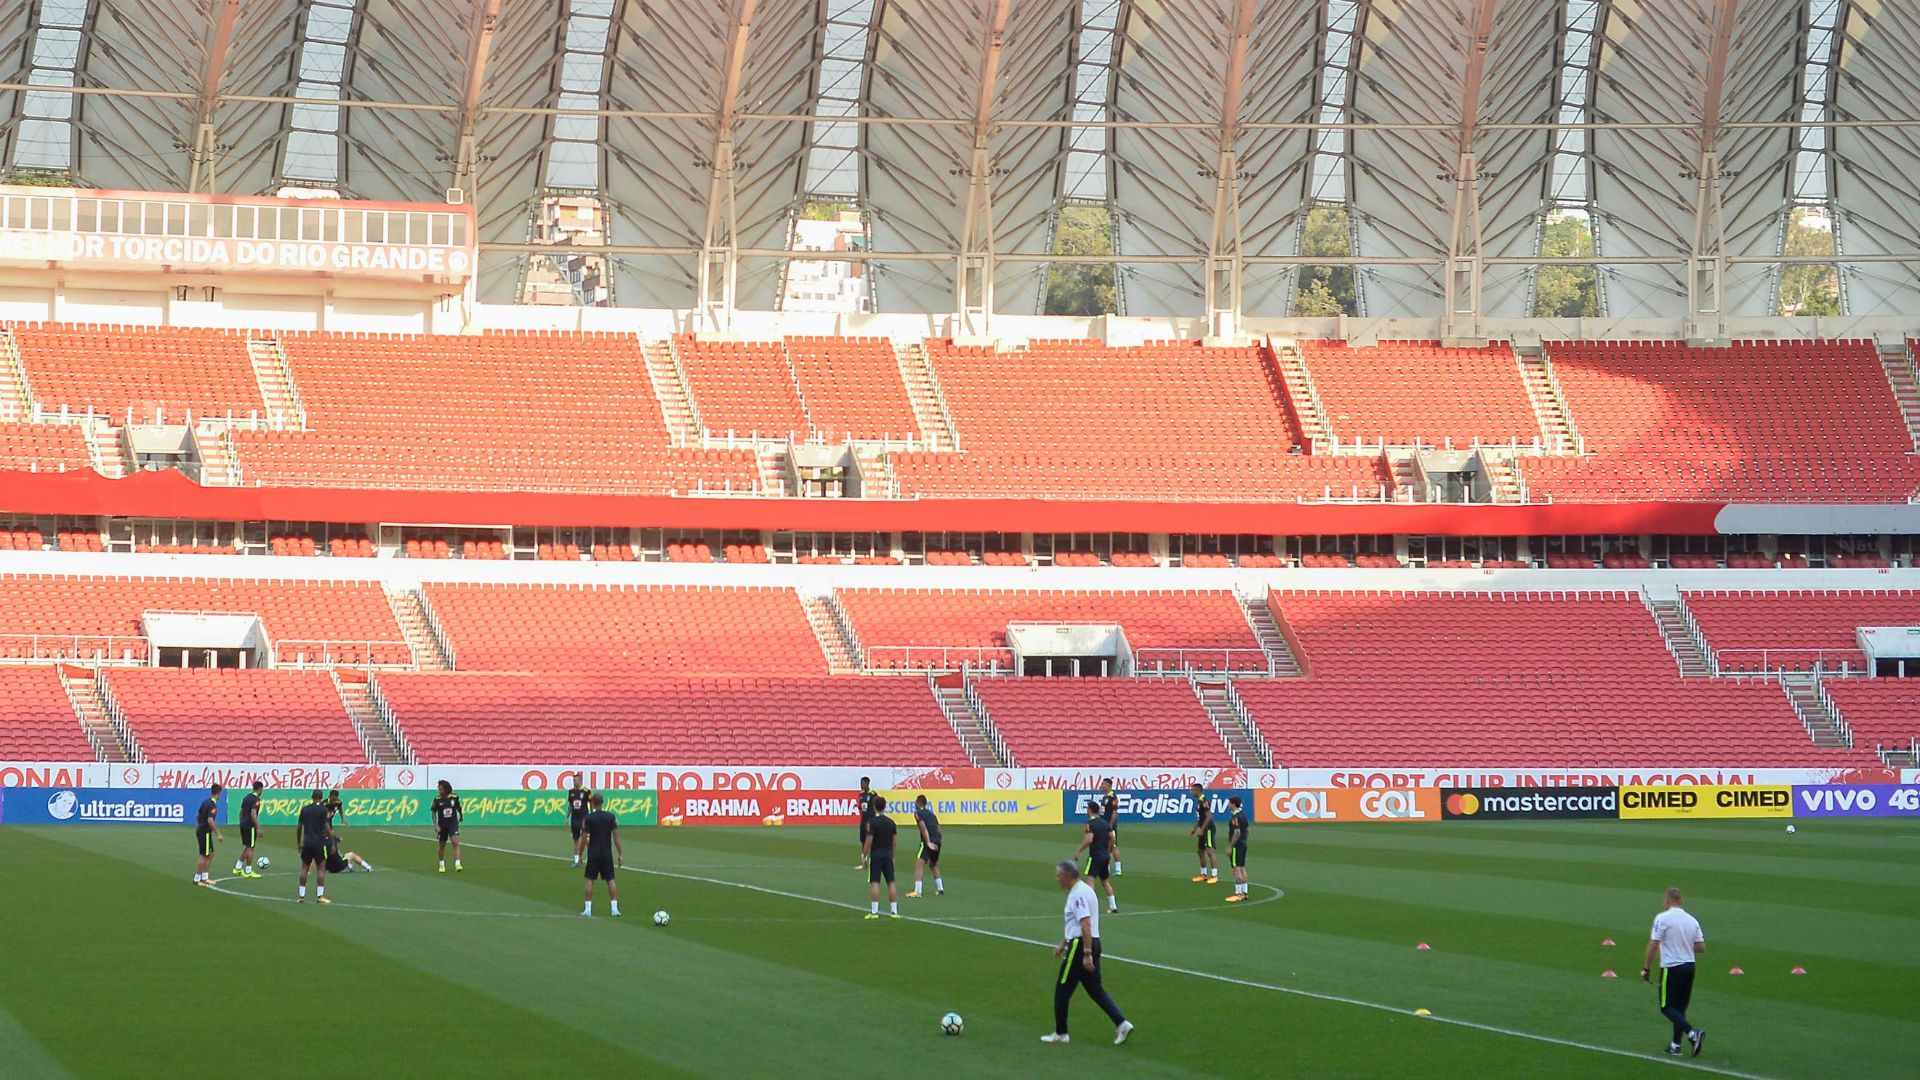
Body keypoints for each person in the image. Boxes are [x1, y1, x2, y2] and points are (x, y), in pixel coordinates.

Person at [1042, 860, 1132, 1046]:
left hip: (1082, 945)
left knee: (1062, 989)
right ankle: (1121, 1023)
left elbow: (1085, 924)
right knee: (1095, 989)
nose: (1057, 879)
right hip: (1091, 942)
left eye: (1059, 875)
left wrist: (1087, 953)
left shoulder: (1078, 895)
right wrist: (1063, 944)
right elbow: (1076, 924)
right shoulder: (1084, 890)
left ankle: (1061, 1033)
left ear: (1067, 876)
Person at [1642, 887, 1706, 1057]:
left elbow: (1653, 944)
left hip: (1672, 967)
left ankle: (1692, 1033)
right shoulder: (1692, 920)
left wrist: (1646, 968)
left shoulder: (1663, 918)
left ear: (1668, 900)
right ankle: (1675, 1045)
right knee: (1680, 1009)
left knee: (1666, 1007)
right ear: (1681, 900)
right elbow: (1701, 947)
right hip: (1689, 967)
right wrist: (1684, 944)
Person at [577, 793, 622, 917]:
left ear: (592, 803)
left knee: (590, 880)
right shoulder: (610, 817)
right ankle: (614, 909)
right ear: (602, 802)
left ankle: (588, 909)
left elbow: (584, 837)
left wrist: (580, 854)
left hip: (593, 853)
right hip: (606, 853)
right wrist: (620, 853)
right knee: (610, 880)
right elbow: (616, 836)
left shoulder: (589, 818)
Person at [1072, 801, 1119, 913]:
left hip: (1095, 856)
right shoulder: (1105, 823)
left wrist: (1078, 851)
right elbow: (1113, 839)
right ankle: (1113, 906)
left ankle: (1090, 907)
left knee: (1090, 881)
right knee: (1105, 882)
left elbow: (1089, 839)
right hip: (1105, 856)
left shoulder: (1090, 823)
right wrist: (1108, 851)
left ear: (1090, 810)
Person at [862, 794, 900, 919]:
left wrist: (864, 855)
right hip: (888, 854)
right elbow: (894, 842)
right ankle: (894, 911)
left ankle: (874, 912)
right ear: (884, 806)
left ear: (874, 807)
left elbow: (869, 840)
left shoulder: (872, 822)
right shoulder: (891, 822)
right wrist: (893, 856)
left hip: (876, 855)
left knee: (875, 882)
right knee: (891, 882)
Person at [296, 789, 333, 904]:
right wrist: (331, 842)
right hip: (319, 843)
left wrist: (299, 843)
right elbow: (327, 828)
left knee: (304, 869)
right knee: (321, 869)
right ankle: (319, 896)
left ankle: (301, 896)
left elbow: (299, 827)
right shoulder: (323, 810)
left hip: (307, 842)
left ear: (312, 797)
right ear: (321, 798)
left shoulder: (305, 809)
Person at [907, 794, 943, 898]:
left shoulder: (918, 814)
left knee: (919, 863)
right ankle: (940, 889)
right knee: (932, 864)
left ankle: (918, 891)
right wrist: (938, 842)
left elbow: (923, 828)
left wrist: (928, 842)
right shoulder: (932, 814)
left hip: (928, 841)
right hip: (937, 841)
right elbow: (939, 830)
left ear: (918, 803)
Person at [193, 784, 224, 887]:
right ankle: (197, 879)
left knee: (210, 854)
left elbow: (197, 815)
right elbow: (210, 820)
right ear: (219, 793)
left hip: (201, 830)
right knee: (204, 855)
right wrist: (218, 834)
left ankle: (205, 877)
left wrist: (201, 824)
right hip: (205, 832)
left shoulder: (205, 802)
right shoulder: (212, 805)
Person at [1188, 784, 1218, 883]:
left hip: (1208, 829)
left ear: (1198, 791)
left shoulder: (1204, 802)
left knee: (1210, 851)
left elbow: (1209, 817)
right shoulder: (1199, 801)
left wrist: (1202, 829)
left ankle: (1214, 875)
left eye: (1193, 790)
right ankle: (1203, 874)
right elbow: (1201, 818)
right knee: (1200, 851)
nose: (1191, 792)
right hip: (1203, 828)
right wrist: (1195, 828)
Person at [431, 780, 464, 873]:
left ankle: (457, 864)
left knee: (455, 842)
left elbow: (459, 808)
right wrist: (436, 824)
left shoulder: (454, 797)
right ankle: (441, 864)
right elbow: (433, 812)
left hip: (453, 823)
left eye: (440, 789)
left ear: (446, 789)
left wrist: (461, 816)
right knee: (442, 845)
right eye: (439, 789)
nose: (439, 790)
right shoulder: (437, 800)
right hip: (442, 825)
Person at [233, 781, 263, 879]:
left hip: (243, 824)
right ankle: (248, 870)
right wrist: (258, 827)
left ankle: (238, 867)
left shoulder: (246, 797)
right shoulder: (256, 800)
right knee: (251, 847)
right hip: (250, 826)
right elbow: (253, 814)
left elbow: (241, 812)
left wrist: (241, 823)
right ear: (260, 789)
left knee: (247, 846)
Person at [1224, 795, 1250, 902]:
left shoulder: (1235, 817)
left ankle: (1238, 893)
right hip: (1243, 844)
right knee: (1242, 868)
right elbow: (1247, 829)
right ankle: (1244, 893)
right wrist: (1244, 839)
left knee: (1236, 869)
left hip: (1236, 846)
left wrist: (1230, 846)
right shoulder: (1243, 815)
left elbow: (1237, 832)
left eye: (1229, 803)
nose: (1228, 805)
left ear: (1234, 804)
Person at [566, 780, 592, 866]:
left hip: (584, 818)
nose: (574, 782)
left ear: (580, 781)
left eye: (575, 780)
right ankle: (576, 860)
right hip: (574, 818)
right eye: (573, 780)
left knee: (586, 838)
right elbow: (570, 805)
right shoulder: (571, 792)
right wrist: (567, 816)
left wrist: (592, 814)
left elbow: (591, 803)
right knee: (575, 838)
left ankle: (590, 857)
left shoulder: (586, 791)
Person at [1100, 778, 1122, 876]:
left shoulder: (1113, 797)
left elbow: (1114, 813)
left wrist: (1110, 825)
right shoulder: (1105, 797)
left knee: (1113, 846)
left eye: (1103, 784)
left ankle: (1118, 868)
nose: (1101, 786)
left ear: (1108, 785)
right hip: (1104, 825)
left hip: (1109, 826)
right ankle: (1107, 868)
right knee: (1106, 847)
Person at [855, 776, 876, 870]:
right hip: (863, 820)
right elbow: (862, 806)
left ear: (867, 783)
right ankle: (864, 862)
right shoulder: (861, 794)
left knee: (870, 841)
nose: (861, 785)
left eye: (862, 783)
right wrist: (858, 806)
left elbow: (876, 805)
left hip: (870, 820)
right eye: (860, 783)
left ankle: (873, 861)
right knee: (863, 840)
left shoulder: (873, 794)